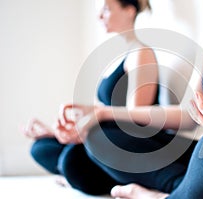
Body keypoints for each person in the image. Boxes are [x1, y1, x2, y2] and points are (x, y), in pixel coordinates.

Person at [55, 0, 203, 198]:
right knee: (100, 137)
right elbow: (189, 115)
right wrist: (103, 113)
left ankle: (165, 196)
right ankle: (184, 188)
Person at [22, 0, 158, 195]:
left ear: (129, 11)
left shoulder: (141, 54)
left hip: (123, 143)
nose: (99, 16)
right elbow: (97, 110)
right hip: (100, 137)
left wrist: (90, 126)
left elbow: (136, 120)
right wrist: (57, 131)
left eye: (106, 10)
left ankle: (79, 175)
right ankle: (76, 174)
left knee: (71, 160)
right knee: (41, 147)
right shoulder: (115, 57)